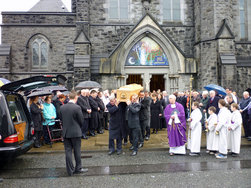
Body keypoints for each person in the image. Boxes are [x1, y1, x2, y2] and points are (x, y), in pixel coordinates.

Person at [60, 91, 88, 176]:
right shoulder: (77, 107)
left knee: (68, 151)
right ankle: (78, 168)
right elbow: (81, 120)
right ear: (75, 98)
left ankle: (70, 170)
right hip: (75, 132)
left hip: (66, 132)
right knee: (77, 151)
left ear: (69, 98)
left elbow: (61, 119)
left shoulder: (62, 107)